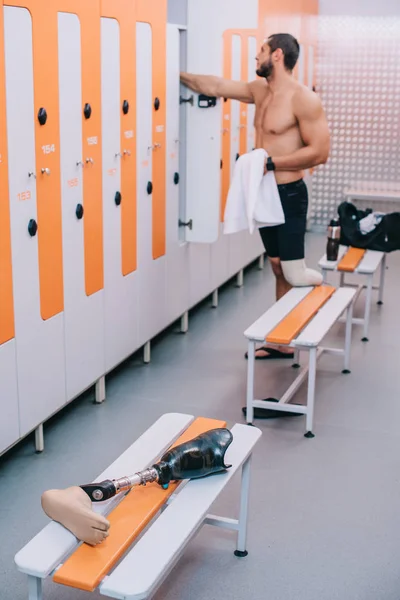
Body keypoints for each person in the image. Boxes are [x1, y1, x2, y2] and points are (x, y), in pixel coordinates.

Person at [180, 33, 330, 359]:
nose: (255, 57)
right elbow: (216, 86)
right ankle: (282, 341)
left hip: (289, 193)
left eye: (260, 51)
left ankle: (327, 292)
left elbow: (319, 153)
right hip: (263, 192)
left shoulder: (303, 99)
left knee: (293, 272)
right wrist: (171, 71)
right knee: (276, 266)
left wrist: (271, 163)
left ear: (276, 55)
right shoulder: (259, 91)